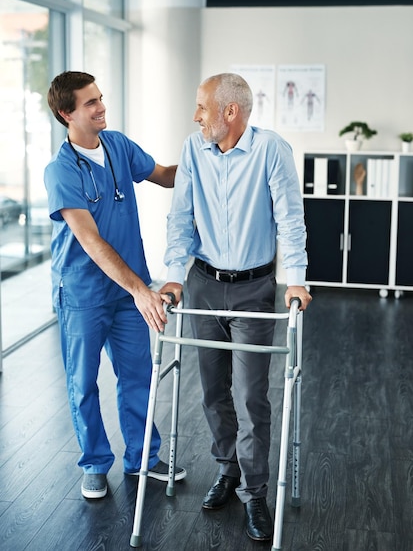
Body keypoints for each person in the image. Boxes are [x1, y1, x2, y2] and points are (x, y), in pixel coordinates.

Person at [159, 73, 311, 542]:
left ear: (231, 112)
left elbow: (289, 217)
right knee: (212, 391)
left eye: (202, 107)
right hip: (203, 284)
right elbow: (180, 216)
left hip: (252, 290)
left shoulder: (271, 150)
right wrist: (172, 271)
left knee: (250, 395)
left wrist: (297, 281)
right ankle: (228, 470)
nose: (195, 115)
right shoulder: (192, 149)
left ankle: (256, 492)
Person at [44, 71, 186, 500]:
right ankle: (94, 463)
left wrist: (209, 158)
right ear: (66, 113)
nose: (101, 107)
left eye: (100, 98)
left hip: (127, 292)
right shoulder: (61, 171)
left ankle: (143, 457)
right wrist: (142, 289)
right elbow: (90, 241)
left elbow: (164, 175)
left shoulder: (119, 145)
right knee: (83, 381)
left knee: (137, 373)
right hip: (84, 292)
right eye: (90, 103)